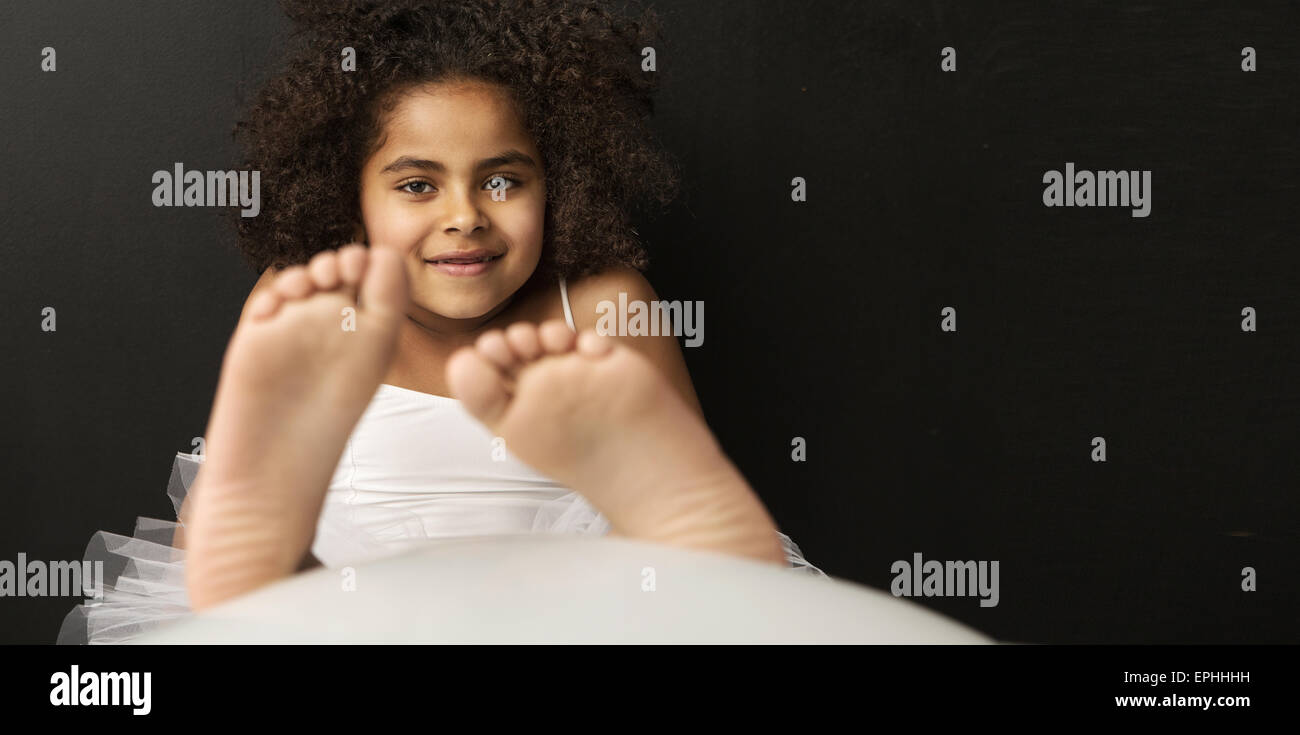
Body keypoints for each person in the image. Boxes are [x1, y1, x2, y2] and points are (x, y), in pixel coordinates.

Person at [58, 0, 824, 644]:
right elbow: (213, 560)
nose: (465, 217)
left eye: (501, 179)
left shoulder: (602, 306)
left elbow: (694, 538)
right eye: (418, 184)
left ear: (558, 181)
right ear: (347, 196)